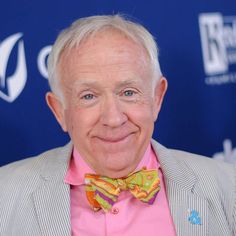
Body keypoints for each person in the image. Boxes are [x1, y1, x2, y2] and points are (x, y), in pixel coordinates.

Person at [0, 14, 235, 236]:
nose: (113, 119)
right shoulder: (5, 195)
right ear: (59, 111)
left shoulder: (229, 188)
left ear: (157, 98)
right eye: (89, 96)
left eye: (129, 92)